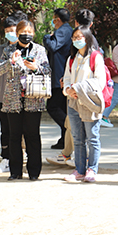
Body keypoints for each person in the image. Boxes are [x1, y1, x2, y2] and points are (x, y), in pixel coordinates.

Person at [0, 19, 51, 180]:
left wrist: (36, 67)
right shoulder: (8, 50)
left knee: (33, 135)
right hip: (12, 99)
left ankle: (34, 172)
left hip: (34, 98)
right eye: (23, 33)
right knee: (14, 135)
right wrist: (10, 61)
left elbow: (47, 70)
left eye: (29, 33)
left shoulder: (39, 50)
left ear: (34, 33)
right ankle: (15, 171)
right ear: (17, 33)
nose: (26, 35)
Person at [63, 26, 106, 183]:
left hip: (89, 102)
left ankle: (92, 169)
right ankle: (79, 170)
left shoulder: (96, 57)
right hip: (73, 102)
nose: (77, 40)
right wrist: (68, 90)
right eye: (74, 37)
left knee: (92, 137)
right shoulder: (72, 59)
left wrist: (79, 89)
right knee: (78, 138)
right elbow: (67, 78)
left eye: (80, 37)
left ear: (88, 38)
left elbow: (99, 82)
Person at [0, 14, 20, 174]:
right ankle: (6, 158)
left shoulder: (26, 49)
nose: (10, 33)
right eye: (7, 31)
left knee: (21, 131)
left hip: (22, 97)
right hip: (3, 97)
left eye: (13, 30)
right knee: (5, 130)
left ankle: (22, 157)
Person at [43, 8, 73, 150]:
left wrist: (46, 37)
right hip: (60, 75)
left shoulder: (63, 31)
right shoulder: (66, 30)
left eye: (54, 19)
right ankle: (64, 139)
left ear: (58, 20)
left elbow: (53, 46)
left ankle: (69, 128)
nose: (53, 22)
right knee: (61, 107)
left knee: (53, 106)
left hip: (59, 76)